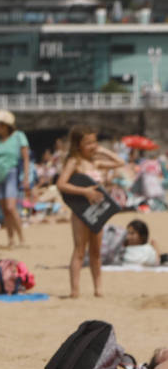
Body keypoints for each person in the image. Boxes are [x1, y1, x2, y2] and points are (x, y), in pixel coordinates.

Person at [57, 124, 125, 298]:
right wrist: (85, 191)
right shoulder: (75, 162)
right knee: (79, 250)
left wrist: (102, 150)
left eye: (94, 142)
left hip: (98, 211)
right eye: (88, 143)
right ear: (78, 144)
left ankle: (98, 288)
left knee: (96, 252)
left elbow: (120, 162)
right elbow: (61, 184)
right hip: (81, 211)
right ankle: (75, 290)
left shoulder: (96, 162)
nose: (92, 146)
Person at [0, 109, 30, 248]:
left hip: (12, 173)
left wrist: (26, 177)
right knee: (5, 211)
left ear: (6, 125)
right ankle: (11, 239)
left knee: (11, 207)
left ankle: (22, 238)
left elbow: (26, 158)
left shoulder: (19, 136)